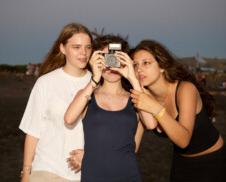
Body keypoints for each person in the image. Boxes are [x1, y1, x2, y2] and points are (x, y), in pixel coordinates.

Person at [130, 40, 226, 182]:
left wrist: (154, 108)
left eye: (146, 63)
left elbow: (183, 140)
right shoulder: (144, 98)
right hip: (181, 162)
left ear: (162, 67)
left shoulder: (185, 90)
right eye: (135, 65)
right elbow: (134, 143)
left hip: (211, 161)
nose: (139, 69)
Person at [64, 35, 157, 182]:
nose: (112, 64)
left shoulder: (136, 97)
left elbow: (151, 124)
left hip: (130, 176)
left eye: (117, 57)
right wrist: (94, 78)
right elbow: (69, 118)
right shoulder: (87, 95)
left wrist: (133, 78)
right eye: (106, 57)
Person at [19, 23, 93, 182]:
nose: (83, 53)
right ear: (62, 48)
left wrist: (91, 154)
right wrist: (26, 171)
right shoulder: (45, 83)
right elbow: (33, 131)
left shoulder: (97, 83)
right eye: (76, 47)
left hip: (85, 173)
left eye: (88, 47)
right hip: (47, 169)